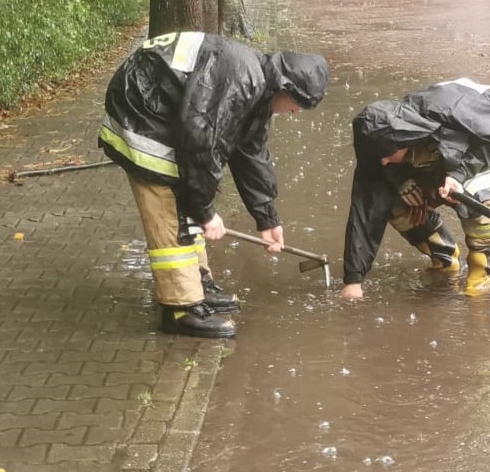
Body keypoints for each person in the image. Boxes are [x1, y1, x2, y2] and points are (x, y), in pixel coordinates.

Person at [99, 30, 328, 338]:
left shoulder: (258, 85)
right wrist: (206, 212)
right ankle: (181, 307)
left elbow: (252, 153)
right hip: (142, 113)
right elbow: (201, 144)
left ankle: (197, 283)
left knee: (191, 194)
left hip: (162, 110)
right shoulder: (242, 81)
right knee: (170, 206)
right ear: (285, 87)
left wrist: (267, 218)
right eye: (297, 103)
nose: (295, 111)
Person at [339, 78, 490, 301]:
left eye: (387, 155)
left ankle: (482, 266)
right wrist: (354, 280)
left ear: (402, 141)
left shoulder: (449, 116)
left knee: (469, 194)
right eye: (377, 156)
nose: (382, 161)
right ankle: (445, 256)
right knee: (391, 198)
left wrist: (457, 176)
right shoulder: (381, 139)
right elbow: (365, 209)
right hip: (441, 151)